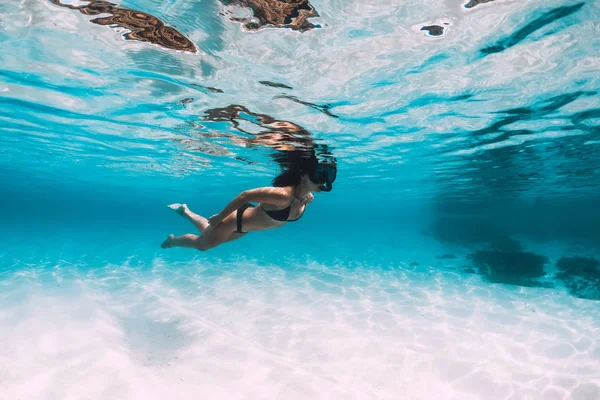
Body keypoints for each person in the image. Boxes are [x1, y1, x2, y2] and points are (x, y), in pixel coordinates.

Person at [160, 160, 336, 252]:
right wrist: (220, 218)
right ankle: (172, 241)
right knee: (202, 245)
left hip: (244, 228)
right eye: (319, 176)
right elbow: (246, 195)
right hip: (233, 222)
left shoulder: (305, 197)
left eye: (328, 177)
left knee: (208, 231)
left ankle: (185, 210)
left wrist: (307, 199)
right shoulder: (283, 195)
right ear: (304, 175)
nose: (323, 182)